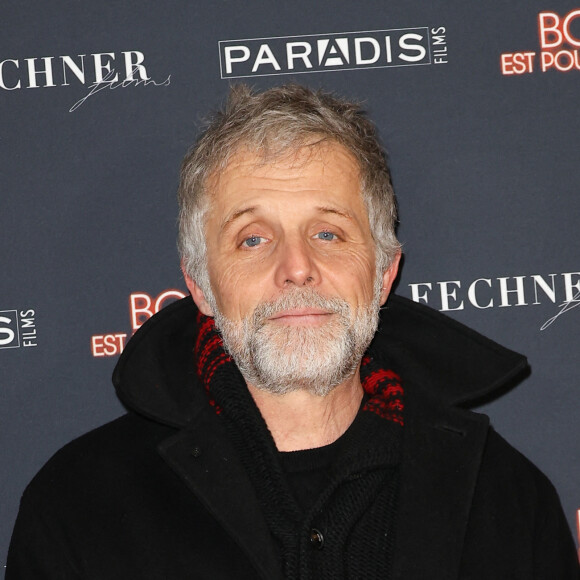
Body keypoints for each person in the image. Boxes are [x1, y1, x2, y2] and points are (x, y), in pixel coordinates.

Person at [7, 84, 579, 579]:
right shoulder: (82, 505)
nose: (297, 267)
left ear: (383, 273)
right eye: (253, 238)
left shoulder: (504, 498)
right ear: (201, 285)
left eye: (328, 233)